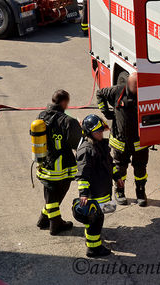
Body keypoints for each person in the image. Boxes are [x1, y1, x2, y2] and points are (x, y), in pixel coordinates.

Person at [97, 73, 149, 207]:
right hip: (121, 141)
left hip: (140, 142)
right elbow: (100, 94)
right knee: (120, 168)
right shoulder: (117, 91)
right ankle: (120, 191)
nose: (138, 89)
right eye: (136, 86)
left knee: (140, 168)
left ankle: (141, 192)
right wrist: (106, 112)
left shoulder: (146, 94)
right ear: (129, 84)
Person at [36, 90, 82, 236]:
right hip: (62, 166)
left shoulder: (42, 116)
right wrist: (79, 127)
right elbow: (76, 143)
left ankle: (44, 219)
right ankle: (55, 224)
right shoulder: (68, 121)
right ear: (64, 102)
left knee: (50, 194)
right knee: (56, 194)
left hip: (45, 163)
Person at [74, 114, 121, 257]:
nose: (101, 133)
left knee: (96, 218)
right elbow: (83, 175)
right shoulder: (86, 150)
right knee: (96, 220)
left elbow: (109, 164)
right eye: (97, 131)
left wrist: (117, 177)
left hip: (103, 191)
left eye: (101, 131)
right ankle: (93, 249)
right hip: (93, 194)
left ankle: (91, 239)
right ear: (89, 133)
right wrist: (83, 194)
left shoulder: (100, 145)